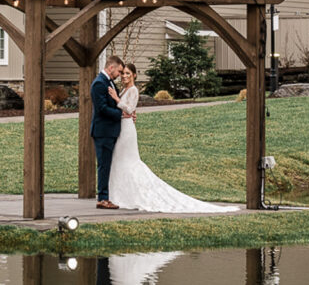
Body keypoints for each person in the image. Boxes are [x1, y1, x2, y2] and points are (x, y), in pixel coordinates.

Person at [108, 62, 238, 213]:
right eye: (123, 73)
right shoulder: (124, 90)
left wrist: (117, 99)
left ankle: (133, 194)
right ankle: (121, 194)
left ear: (134, 75)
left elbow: (130, 108)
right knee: (119, 160)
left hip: (127, 129)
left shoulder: (133, 90)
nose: (124, 76)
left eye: (128, 74)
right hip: (122, 126)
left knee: (129, 161)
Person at [91, 54, 128, 209]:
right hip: (103, 131)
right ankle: (103, 198)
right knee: (104, 165)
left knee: (108, 164)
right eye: (119, 72)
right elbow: (102, 109)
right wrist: (121, 115)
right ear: (111, 67)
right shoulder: (99, 83)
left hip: (110, 131)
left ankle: (107, 196)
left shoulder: (109, 82)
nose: (119, 75)